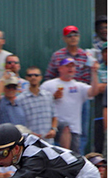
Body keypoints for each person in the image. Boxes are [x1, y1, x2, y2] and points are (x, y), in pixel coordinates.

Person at [44, 25, 93, 153]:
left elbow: (89, 76)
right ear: (64, 38)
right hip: (61, 95)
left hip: (80, 94)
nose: (73, 38)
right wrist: (56, 90)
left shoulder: (85, 55)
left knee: (81, 129)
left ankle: (79, 154)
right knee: (62, 128)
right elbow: (49, 75)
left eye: (75, 35)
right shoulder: (58, 55)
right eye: (69, 36)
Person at [40, 57, 99, 153]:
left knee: (75, 158)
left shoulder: (79, 86)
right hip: (53, 128)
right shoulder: (48, 85)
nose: (70, 68)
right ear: (60, 68)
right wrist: (53, 97)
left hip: (74, 129)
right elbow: (40, 102)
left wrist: (94, 73)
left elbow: (94, 92)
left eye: (73, 66)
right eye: (67, 66)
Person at [15, 66, 57, 144]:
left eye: (36, 75)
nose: (33, 77)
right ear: (26, 78)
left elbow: (54, 116)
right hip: (30, 141)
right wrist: (29, 133)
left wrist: (53, 130)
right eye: (30, 75)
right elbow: (18, 122)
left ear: (41, 77)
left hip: (48, 141)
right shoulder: (20, 99)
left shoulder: (48, 96)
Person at [0, 54, 30, 121]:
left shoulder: (26, 85)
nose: (12, 65)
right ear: (5, 66)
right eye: (9, 63)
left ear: (19, 66)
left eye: (15, 63)